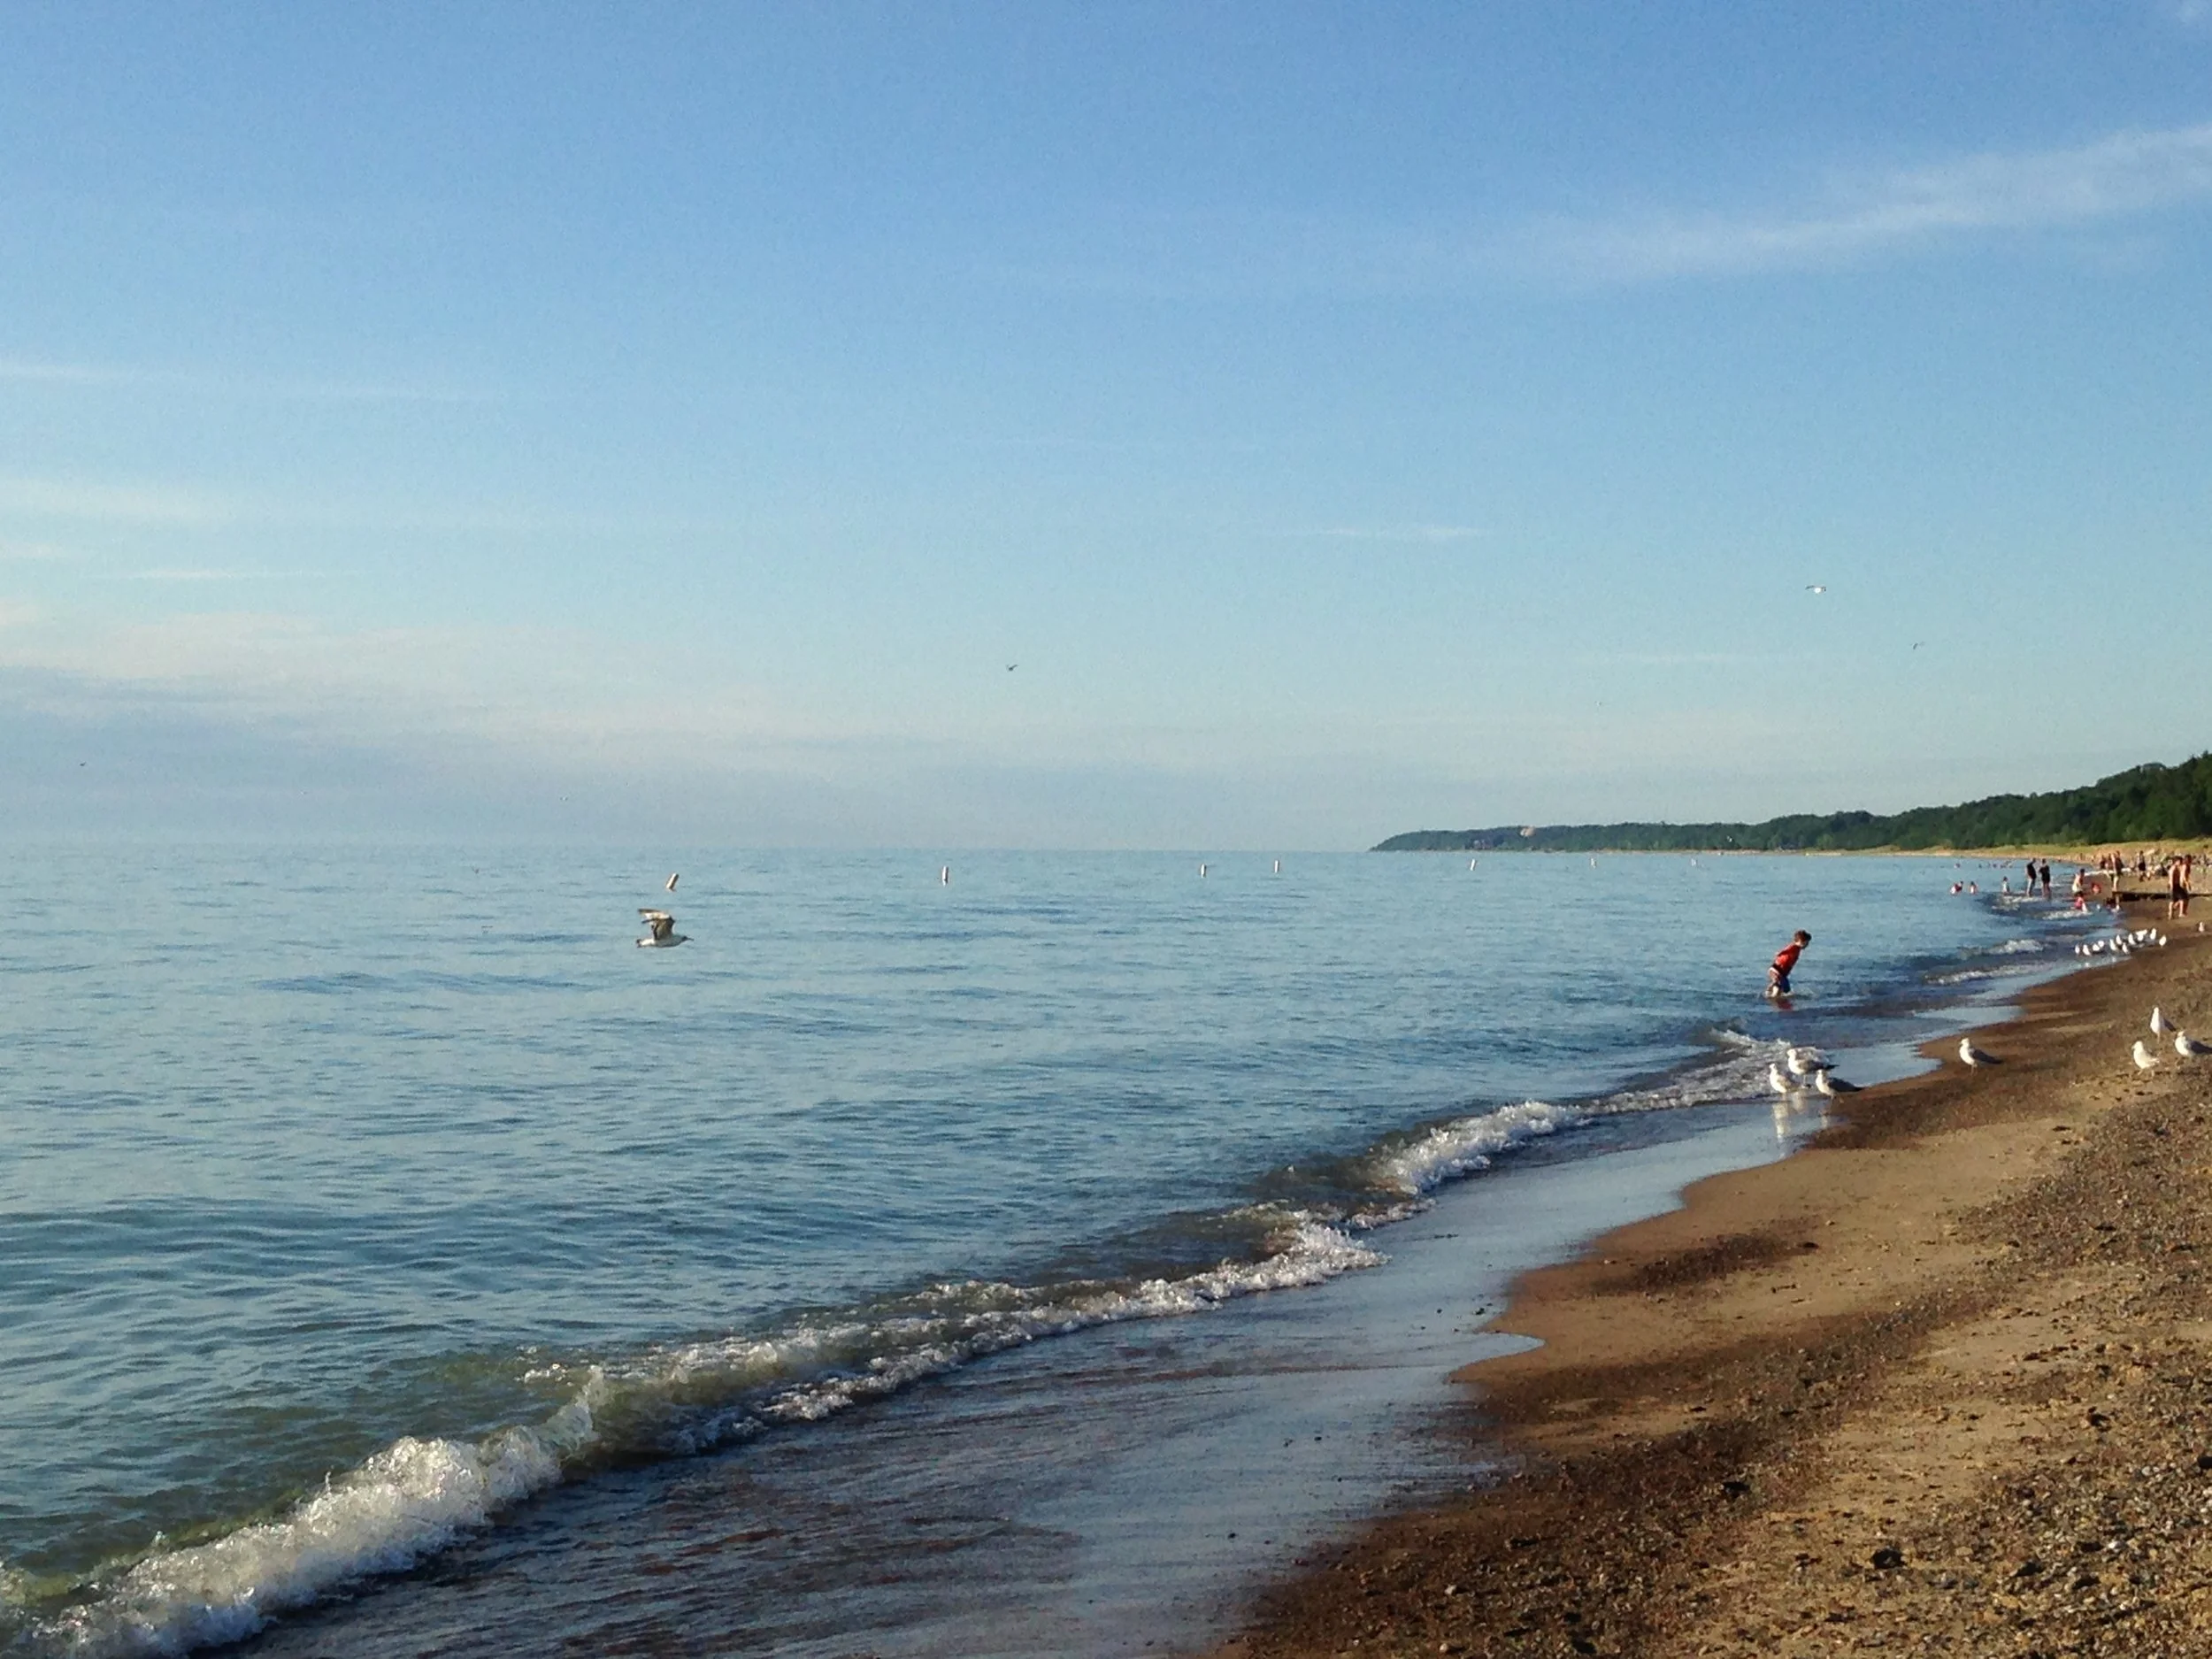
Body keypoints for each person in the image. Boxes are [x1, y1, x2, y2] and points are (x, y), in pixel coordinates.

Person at [1768, 929, 1811, 999]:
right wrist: (1780, 953)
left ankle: (1774, 998)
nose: (1807, 945)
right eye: (1807, 943)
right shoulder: (1794, 947)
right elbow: (1788, 948)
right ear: (1801, 941)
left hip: (1782, 974)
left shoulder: (1798, 949)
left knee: (1786, 991)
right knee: (1777, 987)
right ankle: (1770, 990)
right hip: (1777, 969)